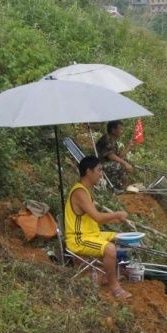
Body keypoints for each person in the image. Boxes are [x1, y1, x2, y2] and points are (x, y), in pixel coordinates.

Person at [66, 156, 131, 300]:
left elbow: (95, 219)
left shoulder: (86, 191)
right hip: (79, 238)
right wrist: (118, 214)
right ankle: (115, 288)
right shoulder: (79, 192)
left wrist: (116, 218)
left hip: (92, 234)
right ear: (88, 171)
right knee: (110, 248)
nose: (101, 174)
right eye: (99, 170)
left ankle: (108, 274)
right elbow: (98, 218)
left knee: (121, 238)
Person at [95, 120, 135, 190]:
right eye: (120, 129)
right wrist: (125, 163)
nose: (122, 131)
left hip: (107, 163)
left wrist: (128, 147)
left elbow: (118, 157)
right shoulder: (107, 138)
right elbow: (110, 156)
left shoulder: (113, 140)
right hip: (99, 164)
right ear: (113, 130)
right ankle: (115, 185)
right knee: (119, 164)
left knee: (126, 162)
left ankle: (121, 184)